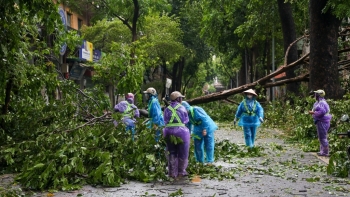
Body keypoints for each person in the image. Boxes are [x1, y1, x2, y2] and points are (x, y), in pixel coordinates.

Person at [163, 91, 190, 179]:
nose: (181, 99)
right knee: (183, 152)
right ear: (178, 99)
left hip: (168, 132)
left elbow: (165, 120)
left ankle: (171, 173)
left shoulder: (167, 109)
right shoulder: (182, 108)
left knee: (171, 152)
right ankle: (181, 172)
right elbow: (186, 120)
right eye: (181, 98)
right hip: (181, 132)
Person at [308, 89, 332, 157]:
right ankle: (322, 151)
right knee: (321, 137)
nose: (315, 96)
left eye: (316, 94)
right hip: (321, 121)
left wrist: (313, 113)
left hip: (323, 121)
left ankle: (325, 152)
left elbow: (322, 112)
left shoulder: (322, 103)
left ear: (318, 95)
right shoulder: (318, 102)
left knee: (323, 137)